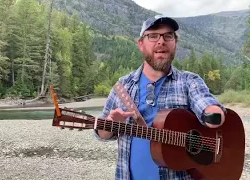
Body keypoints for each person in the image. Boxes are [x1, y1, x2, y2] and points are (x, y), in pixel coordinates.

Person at [94, 15, 226, 180]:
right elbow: (102, 134)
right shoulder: (123, 86)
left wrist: (212, 113)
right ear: (141, 44)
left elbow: (204, 102)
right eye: (153, 35)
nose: (161, 41)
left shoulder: (189, 81)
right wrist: (111, 125)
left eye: (168, 35)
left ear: (175, 43)